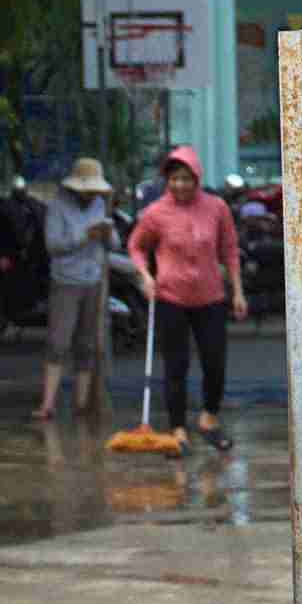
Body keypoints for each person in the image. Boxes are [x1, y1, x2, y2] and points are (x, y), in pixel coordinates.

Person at [128, 145, 247, 456]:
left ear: (197, 178)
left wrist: (237, 291)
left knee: (215, 362)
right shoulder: (156, 213)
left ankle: (209, 419)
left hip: (211, 298)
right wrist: (144, 275)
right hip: (171, 298)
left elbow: (230, 250)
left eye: (186, 179)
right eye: (174, 179)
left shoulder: (217, 208)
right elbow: (136, 246)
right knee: (176, 366)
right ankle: (178, 428)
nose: (180, 185)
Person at [35, 157, 116, 422]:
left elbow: (113, 243)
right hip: (66, 281)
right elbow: (53, 245)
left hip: (91, 280)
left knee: (86, 345)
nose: (90, 195)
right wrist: (83, 237)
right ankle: (48, 404)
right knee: (58, 342)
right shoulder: (58, 207)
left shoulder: (100, 205)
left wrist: (106, 234)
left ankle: (82, 405)